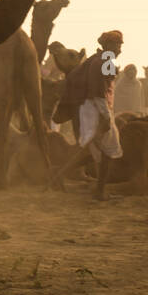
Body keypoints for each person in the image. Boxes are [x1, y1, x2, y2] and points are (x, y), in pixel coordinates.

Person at [51, 30, 124, 200]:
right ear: (108, 46)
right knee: (106, 149)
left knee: (96, 150)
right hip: (94, 108)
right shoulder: (103, 61)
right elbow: (98, 92)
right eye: (118, 45)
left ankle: (61, 174)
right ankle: (97, 190)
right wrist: (105, 116)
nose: (120, 49)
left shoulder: (100, 60)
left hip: (91, 108)